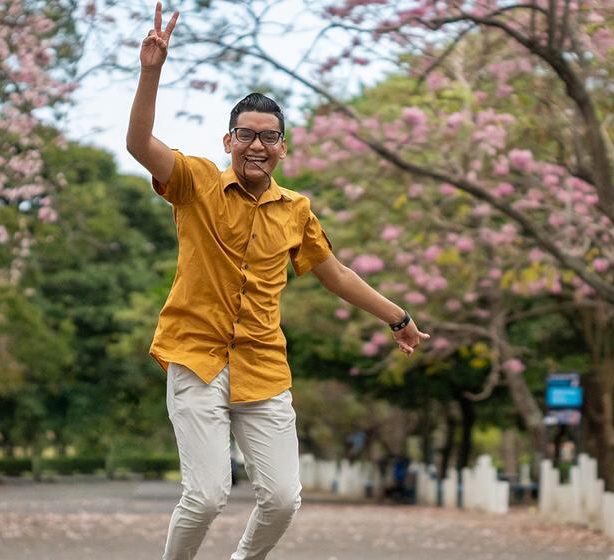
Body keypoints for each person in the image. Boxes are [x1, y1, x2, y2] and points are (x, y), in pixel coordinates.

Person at [125, 4, 430, 559]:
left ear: (283, 147)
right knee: (207, 494)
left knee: (284, 499)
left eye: (269, 137)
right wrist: (152, 71)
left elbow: (334, 273)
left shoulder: (296, 210)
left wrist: (398, 317)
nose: (258, 146)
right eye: (247, 135)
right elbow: (140, 145)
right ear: (228, 141)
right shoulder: (194, 183)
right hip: (195, 355)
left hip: (264, 363)